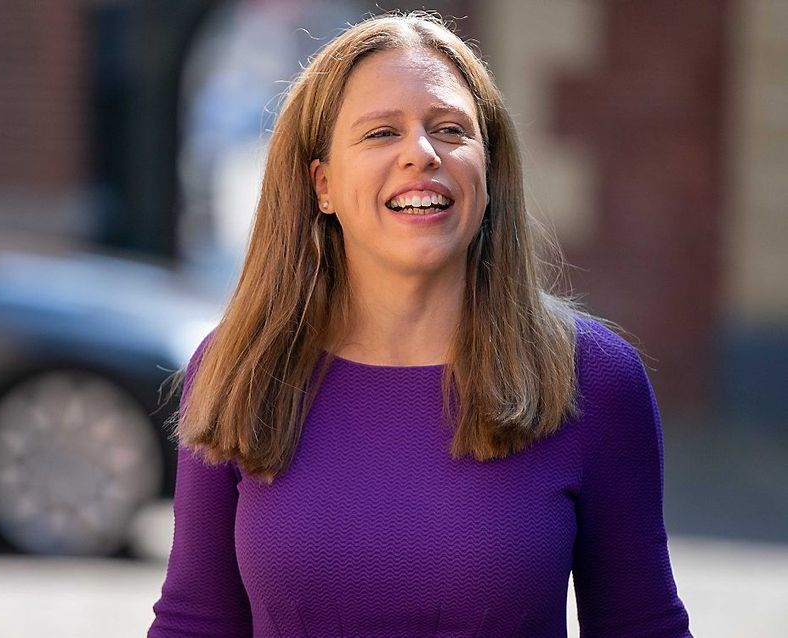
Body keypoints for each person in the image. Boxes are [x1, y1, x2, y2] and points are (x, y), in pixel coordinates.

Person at [148, 10, 693, 637]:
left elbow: (642, 627)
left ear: (488, 173)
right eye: (382, 133)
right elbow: (195, 623)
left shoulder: (594, 379)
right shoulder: (241, 368)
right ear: (321, 183)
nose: (421, 154)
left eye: (450, 130)